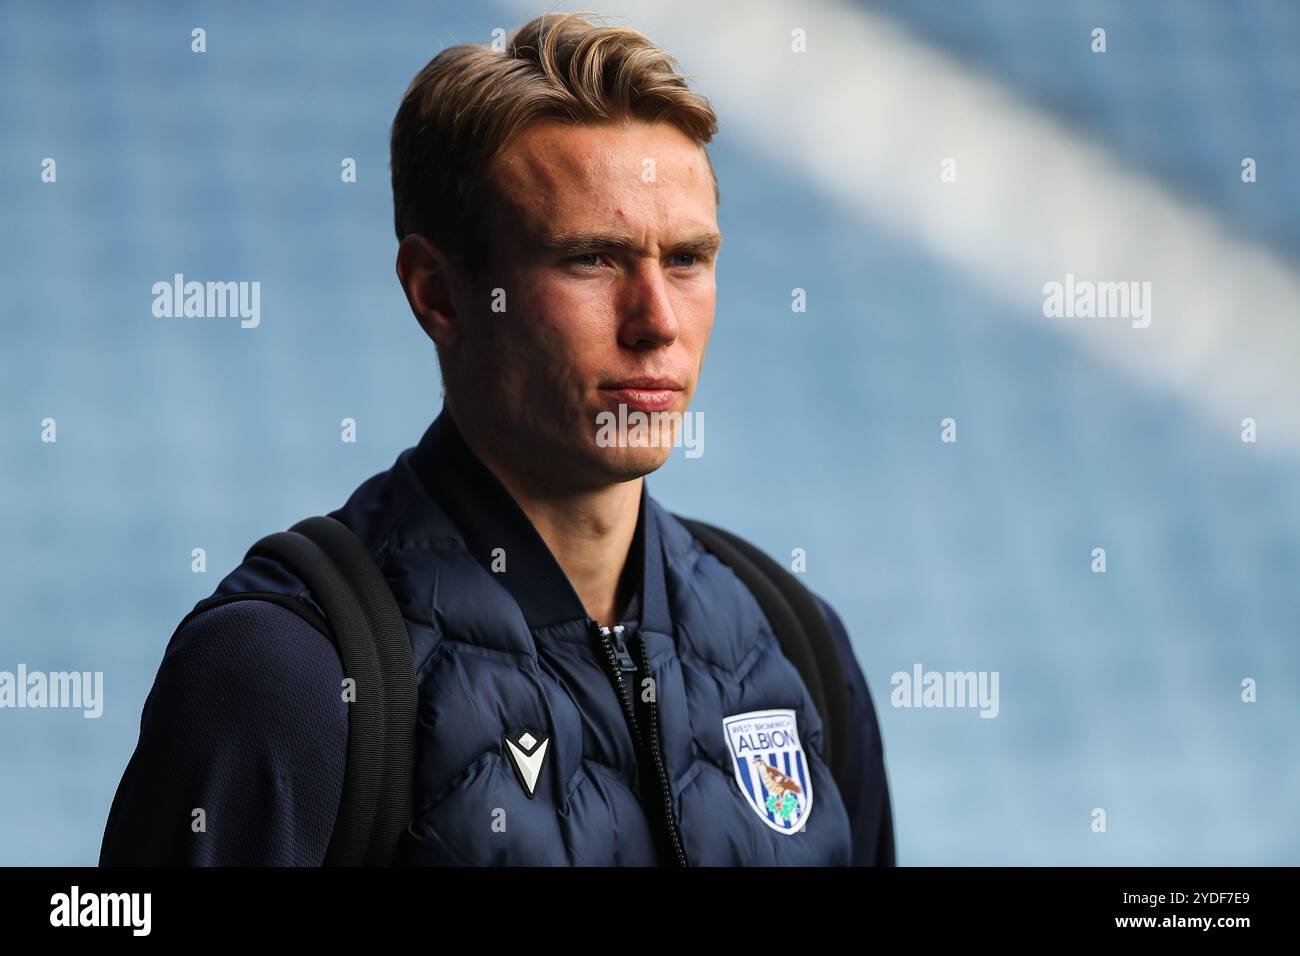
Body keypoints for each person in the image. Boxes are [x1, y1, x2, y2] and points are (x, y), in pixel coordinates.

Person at [99, 11, 894, 867]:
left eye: (688, 260)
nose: (657, 322)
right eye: (592, 259)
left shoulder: (795, 645)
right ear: (439, 294)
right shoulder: (282, 677)